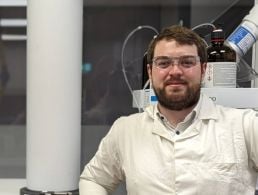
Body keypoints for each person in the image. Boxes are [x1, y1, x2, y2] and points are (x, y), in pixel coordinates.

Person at [79, 25, 258, 195]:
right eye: (164, 63)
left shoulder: (245, 126)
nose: (175, 71)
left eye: (187, 62)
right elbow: (94, 180)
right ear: (150, 71)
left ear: (204, 69)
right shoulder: (125, 130)